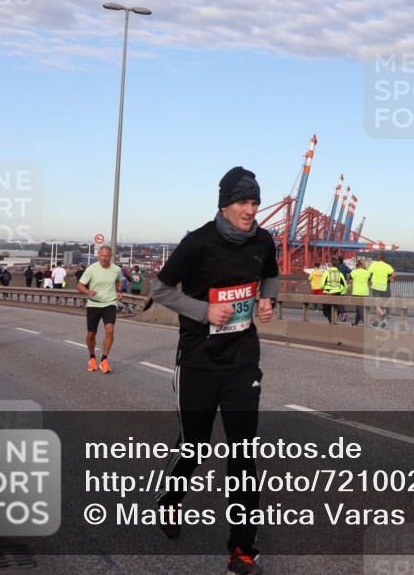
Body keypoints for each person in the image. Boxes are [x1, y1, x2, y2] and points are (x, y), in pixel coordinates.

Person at [150, 166, 277, 575]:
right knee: (196, 445)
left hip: (242, 360)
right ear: (224, 204)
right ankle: (170, 500)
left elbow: (270, 277)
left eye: (255, 202)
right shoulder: (198, 242)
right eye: (243, 202)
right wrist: (206, 312)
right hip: (199, 361)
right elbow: (160, 289)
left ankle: (241, 547)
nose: (250, 210)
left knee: (244, 454)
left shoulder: (263, 240)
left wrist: (267, 302)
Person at [76, 245, 124, 373]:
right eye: (102, 255)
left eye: (107, 256)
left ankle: (104, 360)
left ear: (111, 256)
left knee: (110, 330)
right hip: (93, 304)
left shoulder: (116, 269)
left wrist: (119, 291)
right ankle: (92, 358)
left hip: (110, 303)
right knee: (91, 334)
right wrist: (87, 291)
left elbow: (120, 280)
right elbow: (79, 285)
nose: (104, 258)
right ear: (99, 255)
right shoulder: (92, 269)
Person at [367, 253, 395, 328]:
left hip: (376, 287)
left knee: (376, 306)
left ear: (378, 258)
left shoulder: (374, 265)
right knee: (382, 306)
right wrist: (387, 279)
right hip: (384, 287)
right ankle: (379, 321)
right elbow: (393, 275)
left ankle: (383, 316)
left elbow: (368, 274)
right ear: (383, 258)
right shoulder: (387, 266)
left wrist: (368, 281)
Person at [321, 256, 347, 323]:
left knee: (327, 311)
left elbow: (322, 284)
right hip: (337, 293)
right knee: (336, 308)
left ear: (330, 263)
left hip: (327, 294)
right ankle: (335, 319)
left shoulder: (326, 273)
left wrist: (324, 288)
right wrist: (342, 292)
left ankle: (330, 321)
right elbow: (345, 285)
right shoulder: (340, 273)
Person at [349, 259, 371, 326]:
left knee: (359, 308)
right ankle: (355, 323)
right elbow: (370, 282)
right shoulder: (367, 272)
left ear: (358, 265)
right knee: (359, 308)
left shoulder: (353, 272)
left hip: (356, 292)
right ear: (362, 265)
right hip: (365, 292)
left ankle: (366, 323)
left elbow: (350, 281)